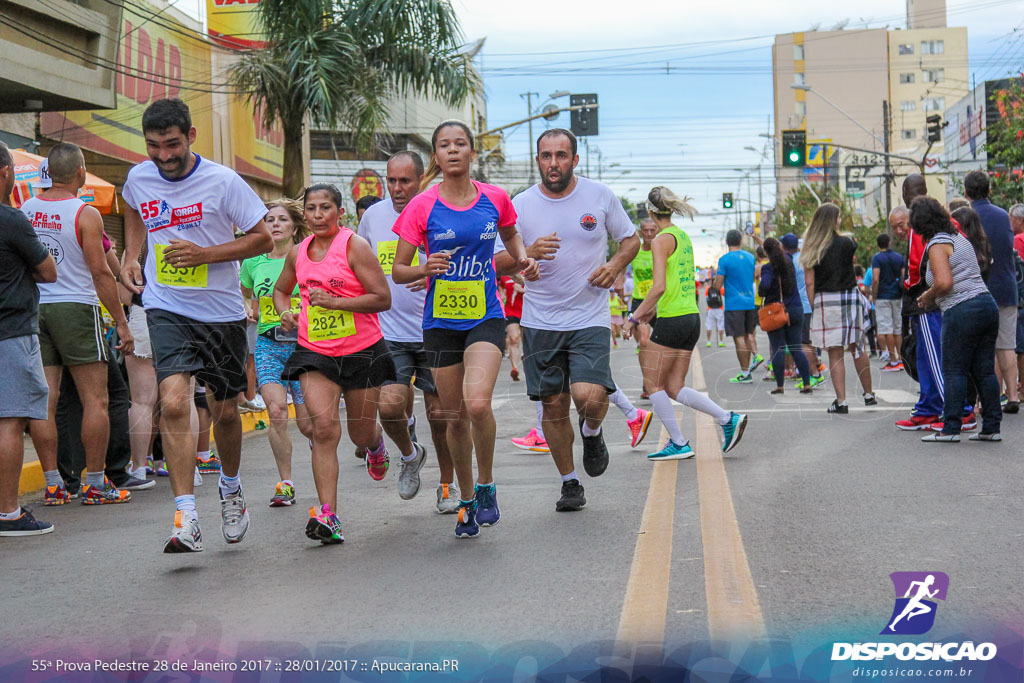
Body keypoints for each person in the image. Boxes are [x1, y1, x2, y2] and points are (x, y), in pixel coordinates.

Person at [120, 98, 274, 553]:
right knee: (172, 402)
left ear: (190, 135)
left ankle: (230, 488)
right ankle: (186, 514)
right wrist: (133, 253)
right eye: (153, 147)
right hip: (166, 306)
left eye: (172, 145)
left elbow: (262, 237)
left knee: (225, 411)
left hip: (221, 314)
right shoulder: (139, 176)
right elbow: (129, 205)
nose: (163, 156)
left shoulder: (223, 181)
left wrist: (207, 254)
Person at [392, 120, 538, 538]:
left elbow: (511, 236)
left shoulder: (495, 197)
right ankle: (468, 497)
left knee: (477, 406)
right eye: (444, 145)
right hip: (440, 324)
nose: (453, 150)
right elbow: (400, 271)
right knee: (453, 416)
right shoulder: (422, 205)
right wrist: (425, 266)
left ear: (473, 153)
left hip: (485, 316)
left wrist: (523, 260)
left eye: (460, 144)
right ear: (435, 158)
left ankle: (488, 484)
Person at [498, 127, 642, 513]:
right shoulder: (521, 205)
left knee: (588, 397)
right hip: (540, 320)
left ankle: (592, 431)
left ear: (574, 160)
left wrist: (613, 265)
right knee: (553, 405)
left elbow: (631, 240)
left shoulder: (599, 196)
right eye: (546, 156)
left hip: (589, 315)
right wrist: (525, 254)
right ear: (538, 161)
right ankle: (569, 482)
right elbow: (497, 261)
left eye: (561, 155)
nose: (554, 163)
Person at [276, 184, 394, 543]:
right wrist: (287, 314)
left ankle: (375, 446)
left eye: (324, 207)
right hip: (315, 351)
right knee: (323, 429)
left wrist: (335, 303)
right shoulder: (297, 253)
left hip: (361, 348)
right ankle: (328, 515)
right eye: (310, 208)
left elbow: (382, 298)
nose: (317, 215)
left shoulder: (354, 245)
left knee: (360, 433)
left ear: (338, 212)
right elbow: (282, 291)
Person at [20, 142, 134, 506]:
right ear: (81, 173)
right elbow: (101, 272)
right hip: (76, 308)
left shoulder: (26, 209)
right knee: (95, 400)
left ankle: (54, 483)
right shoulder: (85, 214)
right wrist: (121, 322)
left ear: (48, 173)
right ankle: (97, 483)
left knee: (46, 401)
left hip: (35, 308)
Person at [358, 150, 458, 513]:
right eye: (391, 181)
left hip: (438, 328)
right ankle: (410, 453)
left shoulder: (440, 210)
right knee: (389, 406)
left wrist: (432, 273)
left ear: (421, 180)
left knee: (439, 415)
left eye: (405, 181)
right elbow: (361, 267)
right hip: (390, 332)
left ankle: (447, 485)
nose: (397, 189)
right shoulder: (373, 216)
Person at [624, 187, 747, 460]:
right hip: (691, 317)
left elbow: (657, 287)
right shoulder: (682, 236)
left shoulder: (660, 240)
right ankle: (727, 418)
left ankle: (679, 442)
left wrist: (633, 317)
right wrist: (648, 312)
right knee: (675, 387)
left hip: (672, 319)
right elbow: (672, 287)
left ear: (650, 212)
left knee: (652, 383)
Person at [0, 142, 58, 536]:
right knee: (10, 420)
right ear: (5, 172)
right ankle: (8, 512)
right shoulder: (11, 220)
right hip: (10, 331)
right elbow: (49, 270)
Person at [240, 198, 314, 507]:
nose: (274, 224)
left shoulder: (307, 258)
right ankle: (285, 483)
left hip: (305, 347)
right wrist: (248, 307)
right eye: (269, 219)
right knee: (277, 413)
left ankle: (324, 473)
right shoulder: (252, 263)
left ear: (294, 227)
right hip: (269, 346)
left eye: (281, 219)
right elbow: (245, 291)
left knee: (310, 424)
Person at [912, 197, 1001, 442]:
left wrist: (928, 296)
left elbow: (944, 282)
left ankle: (950, 428)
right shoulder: (958, 237)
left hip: (962, 309)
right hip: (986, 304)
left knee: (953, 370)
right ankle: (992, 427)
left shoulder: (938, 243)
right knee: (984, 371)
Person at [801, 203, 875, 414]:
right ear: (834, 219)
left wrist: (815, 306)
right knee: (858, 347)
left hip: (825, 299)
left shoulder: (810, 247)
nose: (840, 220)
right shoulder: (847, 242)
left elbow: (809, 283)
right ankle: (868, 394)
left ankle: (841, 401)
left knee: (835, 352)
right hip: (850, 297)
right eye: (839, 217)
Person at [965, 170, 1019, 413]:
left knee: (983, 346)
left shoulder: (966, 217)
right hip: (1007, 285)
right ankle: (1013, 395)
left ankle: (989, 399)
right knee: (1007, 344)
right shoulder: (1003, 216)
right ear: (989, 190)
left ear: (966, 192)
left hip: (979, 289)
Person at [758, 237, 812, 395]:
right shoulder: (789, 261)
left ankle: (780, 385)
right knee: (796, 347)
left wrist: (762, 291)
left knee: (778, 348)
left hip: (777, 312)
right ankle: (807, 383)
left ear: (766, 252)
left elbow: (765, 286)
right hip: (795, 309)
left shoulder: (768, 268)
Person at [714, 229, 763, 384]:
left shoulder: (724, 260)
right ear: (741, 241)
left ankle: (745, 372)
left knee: (739, 338)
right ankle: (750, 366)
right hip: (750, 302)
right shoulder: (750, 258)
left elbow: (718, 283)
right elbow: (754, 276)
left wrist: (715, 287)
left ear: (727, 242)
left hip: (734, 304)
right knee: (749, 335)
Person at [780, 233, 824, 388]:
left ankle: (815, 375)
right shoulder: (804, 258)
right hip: (809, 304)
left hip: (800, 305)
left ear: (784, 247)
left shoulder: (789, 262)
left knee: (802, 343)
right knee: (808, 342)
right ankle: (816, 372)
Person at [631, 218, 659, 396]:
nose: (649, 234)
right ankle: (647, 383)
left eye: (652, 230)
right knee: (644, 341)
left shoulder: (661, 250)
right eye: (646, 230)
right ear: (641, 232)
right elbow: (619, 266)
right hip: (640, 302)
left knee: (658, 347)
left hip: (659, 302)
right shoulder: (635, 252)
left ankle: (656, 380)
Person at [871, 231, 906, 371]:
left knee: (887, 328)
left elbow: (875, 279)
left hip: (883, 296)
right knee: (898, 328)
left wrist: (874, 295)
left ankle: (893, 361)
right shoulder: (898, 257)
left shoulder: (877, 258)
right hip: (897, 295)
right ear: (889, 243)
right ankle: (902, 359)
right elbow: (903, 276)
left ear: (878, 244)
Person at [1010, 204, 1024, 401]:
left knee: (1020, 347)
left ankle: (1021, 390)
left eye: (1011, 219)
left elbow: (1017, 274)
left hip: (1020, 299)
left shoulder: (1018, 240)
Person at [501, 273, 525, 381]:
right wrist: (502, 294)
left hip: (527, 312)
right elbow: (501, 286)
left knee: (527, 342)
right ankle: (514, 368)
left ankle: (526, 362)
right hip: (511, 312)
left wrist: (523, 290)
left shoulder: (528, 273)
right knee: (513, 339)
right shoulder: (505, 276)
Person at [704, 279, 726, 348]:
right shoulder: (720, 289)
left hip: (710, 309)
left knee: (709, 325)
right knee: (720, 325)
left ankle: (708, 342)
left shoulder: (708, 289)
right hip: (719, 309)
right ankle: (721, 342)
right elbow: (725, 294)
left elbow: (707, 298)